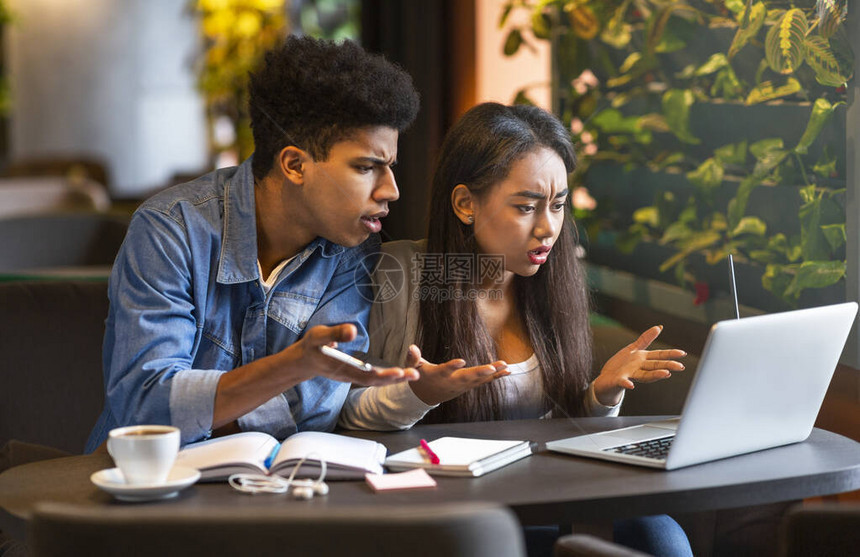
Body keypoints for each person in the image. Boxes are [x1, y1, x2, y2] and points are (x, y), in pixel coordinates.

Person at [339, 102, 692, 556]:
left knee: (659, 535)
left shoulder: (550, 285)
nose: (548, 228)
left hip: (541, 497)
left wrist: (600, 396)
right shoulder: (400, 274)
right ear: (465, 203)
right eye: (526, 207)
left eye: (559, 205)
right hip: (443, 510)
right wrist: (419, 393)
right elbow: (344, 416)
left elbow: (556, 433)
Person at [85, 36, 421, 453]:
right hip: (145, 489)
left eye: (390, 168)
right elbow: (146, 406)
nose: (392, 190)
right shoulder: (169, 230)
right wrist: (291, 366)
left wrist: (202, 409)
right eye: (367, 167)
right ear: (295, 165)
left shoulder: (351, 249)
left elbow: (315, 409)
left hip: (274, 491)